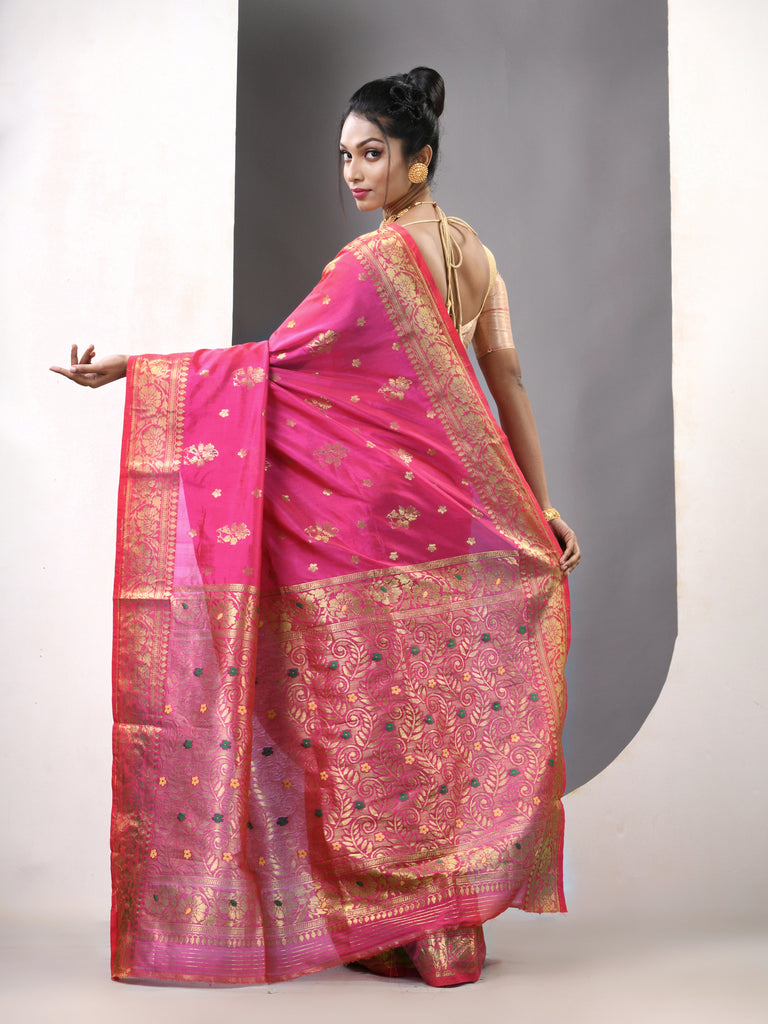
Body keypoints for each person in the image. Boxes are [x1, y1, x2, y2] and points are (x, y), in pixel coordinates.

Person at [51, 67, 579, 988]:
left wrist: (137, 369)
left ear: (419, 160)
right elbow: (509, 383)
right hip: (452, 516)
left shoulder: (370, 263)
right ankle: (444, 927)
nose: (353, 172)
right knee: (432, 715)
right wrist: (541, 505)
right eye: (344, 156)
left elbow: (272, 365)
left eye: (372, 154)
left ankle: (398, 919)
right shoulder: (477, 256)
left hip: (365, 525)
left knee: (373, 721)